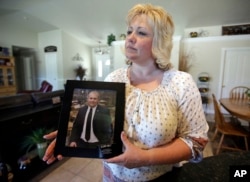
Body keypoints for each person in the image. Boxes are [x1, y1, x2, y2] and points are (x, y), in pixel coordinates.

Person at [43, 4, 209, 181]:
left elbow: (195, 142)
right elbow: (101, 125)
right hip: (112, 177)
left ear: (160, 41)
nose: (130, 38)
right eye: (129, 31)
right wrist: (66, 137)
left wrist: (146, 158)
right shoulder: (113, 78)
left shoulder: (181, 83)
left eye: (141, 33)